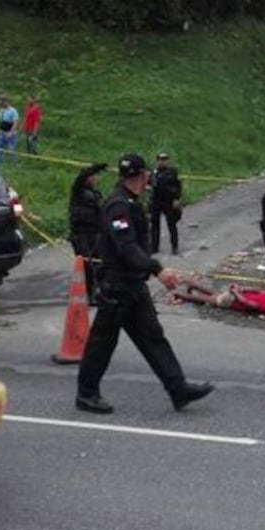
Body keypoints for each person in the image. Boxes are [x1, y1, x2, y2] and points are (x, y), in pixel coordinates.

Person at [75, 153, 214, 415]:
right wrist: (157, 270)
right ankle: (86, 393)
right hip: (117, 286)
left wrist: (149, 270)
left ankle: (178, 389)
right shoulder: (118, 206)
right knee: (102, 342)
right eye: (147, 174)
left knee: (153, 338)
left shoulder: (131, 202)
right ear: (142, 176)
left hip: (134, 285)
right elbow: (126, 248)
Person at [68, 163, 108, 304]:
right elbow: (81, 177)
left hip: (95, 233)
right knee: (87, 265)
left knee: (100, 265)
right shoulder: (78, 191)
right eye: (93, 176)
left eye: (95, 176)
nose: (95, 179)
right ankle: (89, 294)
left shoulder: (96, 194)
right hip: (81, 234)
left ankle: (99, 292)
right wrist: (97, 167)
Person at [171, 279, 265, 315]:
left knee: (213, 293)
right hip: (232, 301)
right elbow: (247, 303)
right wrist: (236, 293)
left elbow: (257, 290)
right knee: (205, 299)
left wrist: (240, 289)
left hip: (234, 294)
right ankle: (178, 294)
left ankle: (194, 285)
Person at [149, 152, 183, 255]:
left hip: (168, 201)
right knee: (154, 225)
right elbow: (148, 185)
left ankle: (175, 246)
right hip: (156, 201)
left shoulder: (172, 172)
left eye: (164, 160)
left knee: (171, 224)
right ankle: (154, 247)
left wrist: (177, 199)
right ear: (157, 161)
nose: (162, 162)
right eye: (160, 160)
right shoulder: (154, 173)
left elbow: (178, 186)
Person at [0, 95, 19, 164]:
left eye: (2, 102)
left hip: (11, 134)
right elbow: (2, 121)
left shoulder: (13, 111)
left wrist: (11, 132)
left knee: (11, 150)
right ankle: (0, 162)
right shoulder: (1, 110)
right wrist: (0, 129)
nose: (1, 104)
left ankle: (15, 163)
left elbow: (15, 122)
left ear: (6, 101)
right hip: (2, 133)